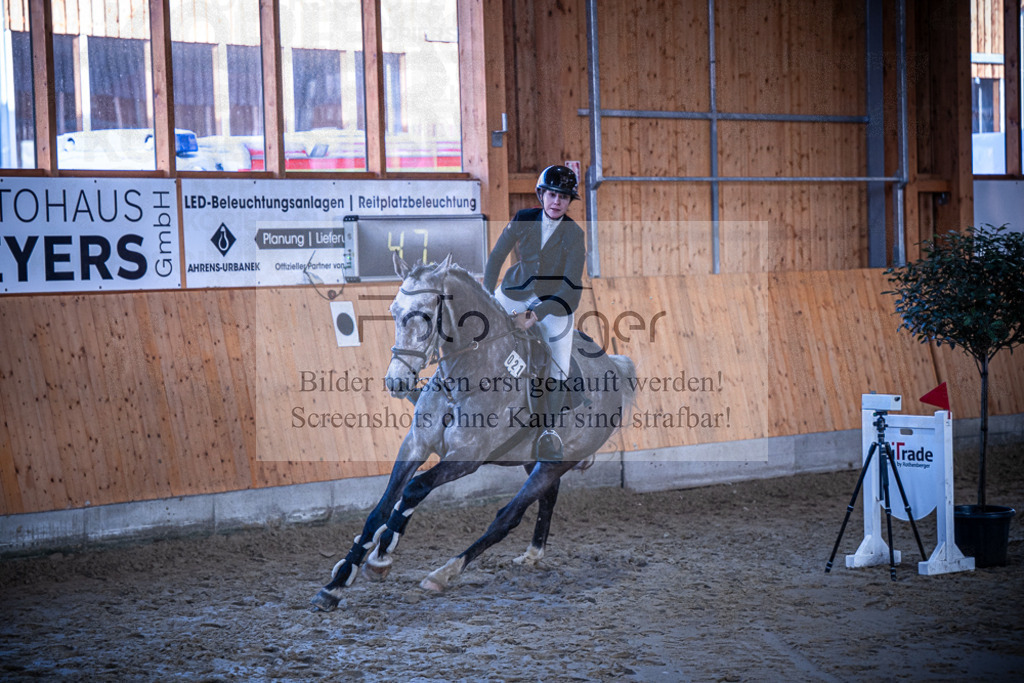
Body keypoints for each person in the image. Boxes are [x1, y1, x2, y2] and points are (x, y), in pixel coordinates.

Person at [483, 165, 586, 462]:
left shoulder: (574, 235)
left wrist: (536, 315)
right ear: (542, 194)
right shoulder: (523, 218)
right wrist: (487, 295)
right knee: (480, 332)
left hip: (555, 302)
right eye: (553, 194)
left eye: (564, 197)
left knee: (559, 362)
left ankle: (549, 432)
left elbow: (571, 286)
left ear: (569, 202)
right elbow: (497, 256)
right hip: (515, 291)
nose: (557, 202)